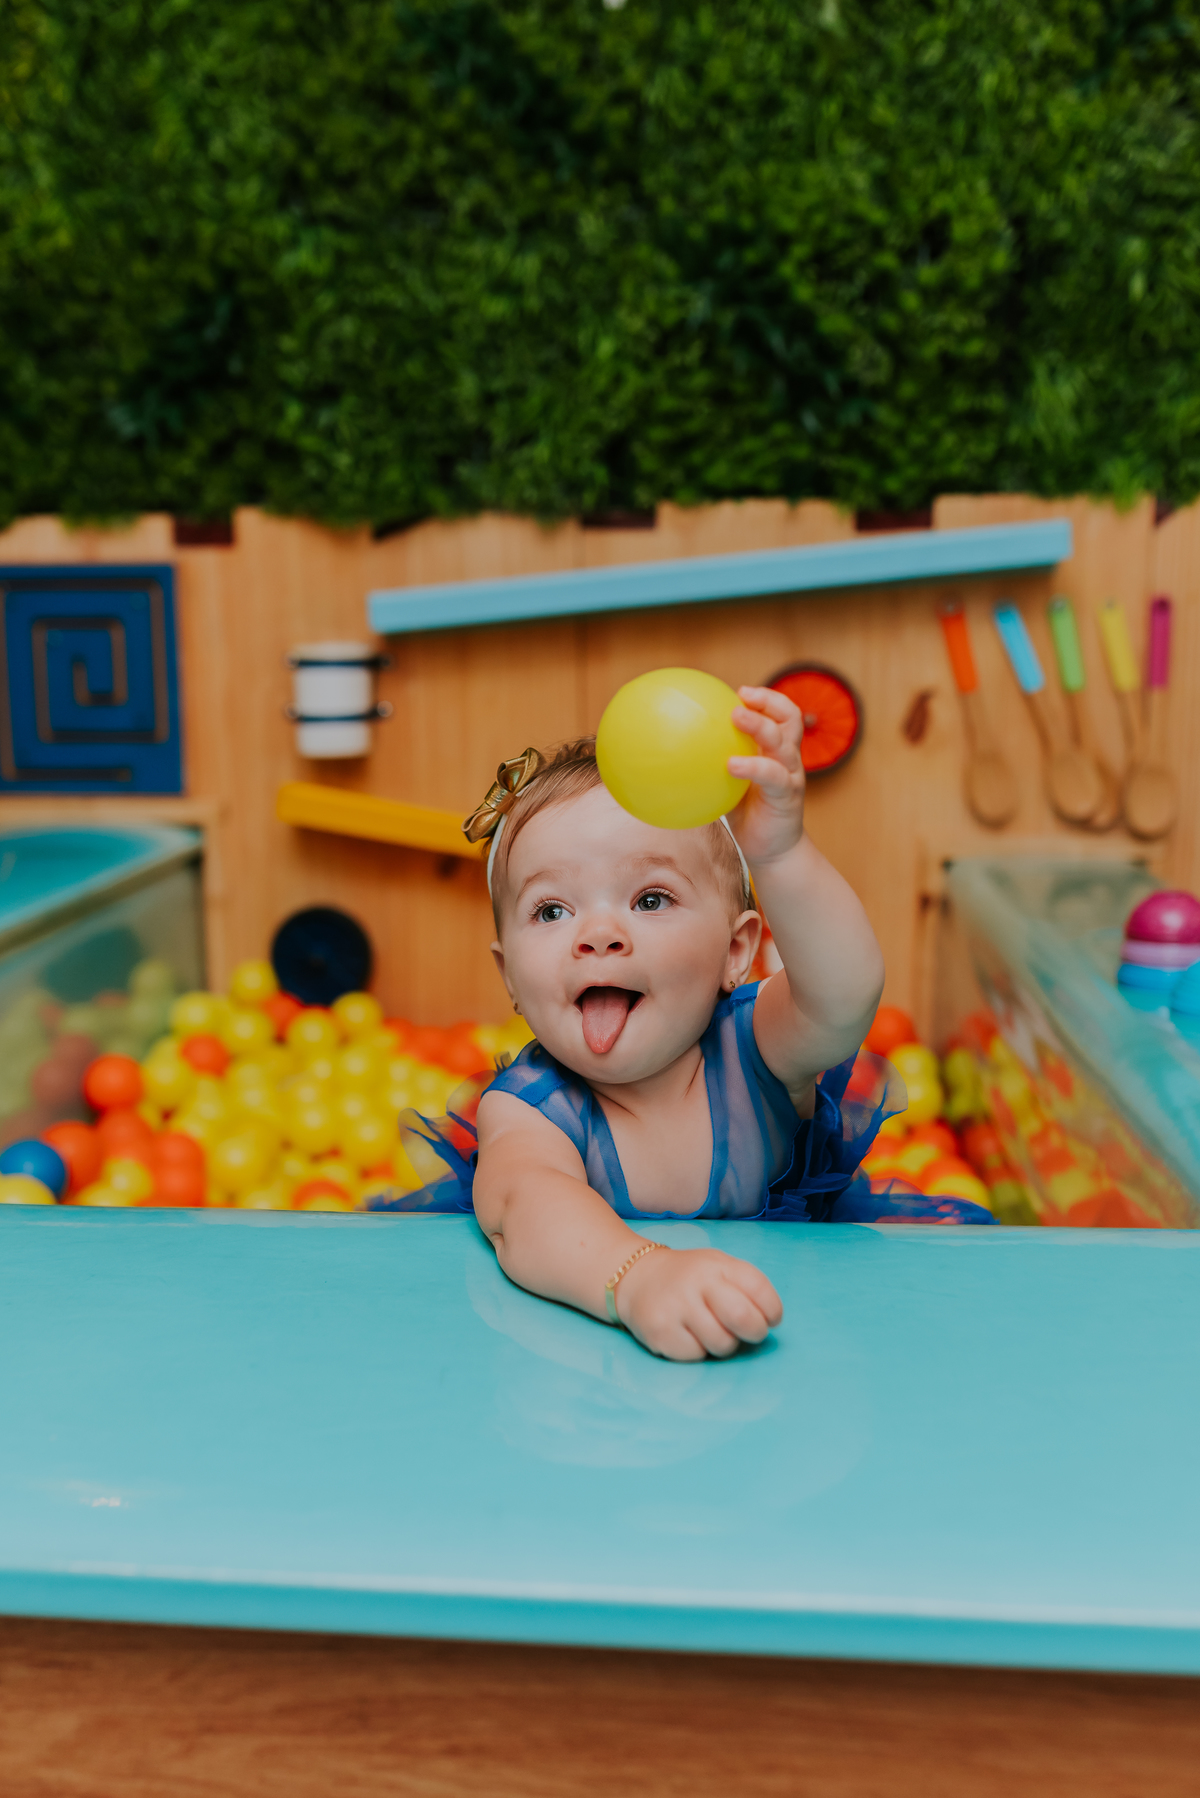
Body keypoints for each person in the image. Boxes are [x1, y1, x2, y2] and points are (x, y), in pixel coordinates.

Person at [372, 684, 993, 1360]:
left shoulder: (753, 1048)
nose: (599, 933)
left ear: (736, 953)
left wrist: (779, 855)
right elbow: (529, 1210)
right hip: (592, 1357)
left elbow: (843, 997)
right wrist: (638, 1278)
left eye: (651, 898)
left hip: (799, 1314)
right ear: (509, 978)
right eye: (552, 911)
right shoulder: (529, 1110)